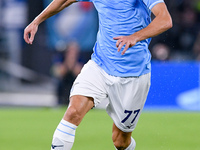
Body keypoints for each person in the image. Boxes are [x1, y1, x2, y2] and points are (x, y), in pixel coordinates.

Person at [24, 0, 172, 149]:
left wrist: (135, 36)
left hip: (134, 75)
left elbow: (165, 20)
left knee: (120, 141)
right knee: (72, 113)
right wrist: (37, 21)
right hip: (100, 66)